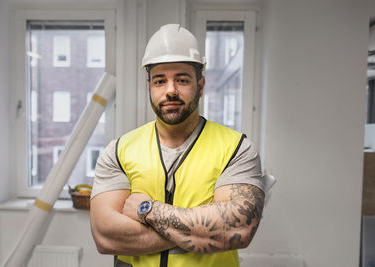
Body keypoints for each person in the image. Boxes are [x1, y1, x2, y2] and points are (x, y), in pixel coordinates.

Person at [90, 24, 266, 267]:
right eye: (160, 81)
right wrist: (201, 229)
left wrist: (147, 210)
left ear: (200, 86)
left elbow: (238, 229)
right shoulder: (119, 151)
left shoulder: (236, 149)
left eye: (181, 80)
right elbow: (105, 237)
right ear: (149, 86)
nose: (170, 90)